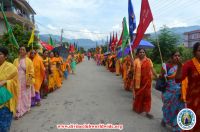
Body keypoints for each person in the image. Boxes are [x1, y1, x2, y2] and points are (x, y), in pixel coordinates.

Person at [175, 42, 200, 132]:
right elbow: (178, 79)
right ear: (194, 52)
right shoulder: (189, 64)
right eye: (199, 50)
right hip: (193, 100)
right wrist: (179, 67)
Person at [160, 51, 185, 131]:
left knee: (179, 108)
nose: (177, 57)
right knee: (167, 107)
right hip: (168, 91)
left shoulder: (182, 66)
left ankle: (176, 126)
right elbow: (161, 77)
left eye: (179, 55)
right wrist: (163, 73)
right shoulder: (166, 66)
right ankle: (165, 119)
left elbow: (184, 79)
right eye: (175, 55)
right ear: (172, 57)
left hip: (179, 91)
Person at [132, 48, 158, 119]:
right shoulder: (135, 61)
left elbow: (152, 69)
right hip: (138, 82)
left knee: (147, 97)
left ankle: (147, 111)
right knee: (139, 96)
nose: (142, 53)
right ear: (138, 53)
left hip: (147, 82)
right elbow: (133, 71)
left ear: (145, 53)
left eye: (143, 52)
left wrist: (157, 76)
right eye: (140, 52)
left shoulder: (149, 61)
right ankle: (137, 108)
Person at [0, 47, 19, 132]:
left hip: (5, 99)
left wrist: (5, 82)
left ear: (5, 56)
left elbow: (15, 83)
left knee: (3, 125)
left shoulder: (12, 68)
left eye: (0, 54)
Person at [13, 46, 35, 119]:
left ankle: (25, 108)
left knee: (25, 95)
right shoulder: (15, 60)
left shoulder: (29, 61)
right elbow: (12, 71)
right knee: (18, 95)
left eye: (23, 49)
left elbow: (31, 72)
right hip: (17, 80)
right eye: (20, 49)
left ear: (26, 51)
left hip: (25, 80)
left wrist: (28, 82)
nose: (21, 51)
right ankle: (18, 111)